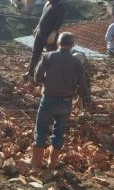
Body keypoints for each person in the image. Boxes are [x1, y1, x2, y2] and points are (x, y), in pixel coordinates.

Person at [31, 32, 90, 169]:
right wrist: (80, 98)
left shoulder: (48, 56)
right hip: (66, 102)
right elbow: (83, 85)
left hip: (48, 100)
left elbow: (37, 77)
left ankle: (36, 162)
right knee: (59, 132)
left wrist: (45, 82)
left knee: (40, 130)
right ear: (72, 45)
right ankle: (53, 163)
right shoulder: (76, 62)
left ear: (58, 43)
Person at [23, 0, 65, 81]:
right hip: (40, 33)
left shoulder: (59, 5)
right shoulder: (47, 3)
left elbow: (59, 21)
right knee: (35, 54)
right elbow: (43, 17)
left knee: (50, 56)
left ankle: (49, 77)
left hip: (50, 35)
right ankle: (30, 73)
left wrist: (54, 33)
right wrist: (37, 27)